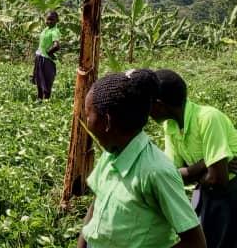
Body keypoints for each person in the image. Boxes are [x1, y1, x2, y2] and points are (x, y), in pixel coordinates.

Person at [150, 69, 237, 248]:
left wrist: (194, 172)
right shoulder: (170, 126)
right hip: (212, 195)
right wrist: (206, 163)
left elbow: (218, 179)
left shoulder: (207, 118)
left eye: (148, 104)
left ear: (159, 104)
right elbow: (173, 175)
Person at [77, 69, 207, 248]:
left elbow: (195, 243)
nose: (86, 119)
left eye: (88, 113)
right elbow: (97, 203)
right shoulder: (110, 154)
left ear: (106, 122)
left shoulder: (156, 171)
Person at [31, 11, 61, 100]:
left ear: (57, 20)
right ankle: (39, 100)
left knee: (47, 81)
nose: (49, 21)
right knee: (39, 80)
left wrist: (49, 52)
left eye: (52, 19)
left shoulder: (55, 31)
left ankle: (46, 100)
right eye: (48, 19)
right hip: (40, 57)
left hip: (47, 60)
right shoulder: (46, 29)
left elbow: (57, 45)